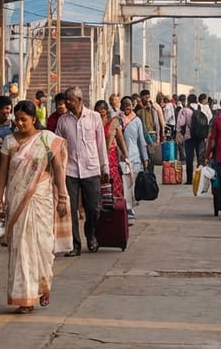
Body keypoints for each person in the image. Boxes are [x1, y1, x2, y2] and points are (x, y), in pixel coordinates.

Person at [0, 100, 72, 313]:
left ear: (33, 119)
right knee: (21, 249)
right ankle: (25, 298)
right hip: (17, 200)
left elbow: (58, 169)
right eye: (17, 119)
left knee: (42, 247)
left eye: (24, 119)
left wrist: (63, 197)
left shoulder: (47, 139)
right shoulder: (9, 141)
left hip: (41, 199)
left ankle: (43, 287)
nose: (19, 123)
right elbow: (3, 173)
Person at [54, 86, 109, 255]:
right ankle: (75, 245)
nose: (66, 103)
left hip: (91, 169)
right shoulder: (63, 120)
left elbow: (101, 144)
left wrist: (104, 167)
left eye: (69, 100)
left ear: (79, 100)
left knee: (93, 208)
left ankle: (90, 234)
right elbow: (57, 145)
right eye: (66, 100)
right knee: (70, 209)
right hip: (69, 170)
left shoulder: (94, 117)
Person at [96, 100, 131, 225]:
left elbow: (120, 140)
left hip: (111, 158)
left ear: (106, 111)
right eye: (99, 111)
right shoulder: (93, 123)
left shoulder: (113, 123)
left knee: (114, 185)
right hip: (97, 159)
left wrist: (127, 158)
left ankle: (117, 215)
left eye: (103, 110)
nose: (101, 113)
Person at [119, 96, 149, 216]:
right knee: (125, 184)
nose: (127, 107)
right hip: (121, 159)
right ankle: (127, 207)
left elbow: (141, 140)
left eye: (129, 105)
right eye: (125, 105)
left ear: (132, 106)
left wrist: (145, 158)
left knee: (132, 184)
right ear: (121, 106)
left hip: (135, 158)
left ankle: (130, 206)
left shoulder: (137, 121)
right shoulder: (117, 121)